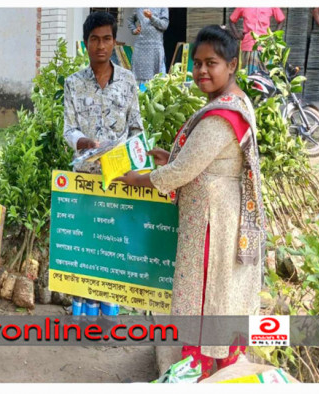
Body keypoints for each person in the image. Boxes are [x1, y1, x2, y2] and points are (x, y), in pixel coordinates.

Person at [115, 25, 265, 380]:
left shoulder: (221, 117)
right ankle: (223, 368)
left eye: (211, 63)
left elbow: (185, 171)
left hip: (212, 220)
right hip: (219, 212)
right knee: (218, 294)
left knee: (203, 295)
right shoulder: (233, 103)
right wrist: (174, 156)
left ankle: (195, 371)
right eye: (196, 63)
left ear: (232, 65)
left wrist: (143, 178)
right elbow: (204, 160)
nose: (201, 71)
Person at [62, 11, 143, 314]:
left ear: (113, 41)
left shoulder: (128, 81)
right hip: (85, 178)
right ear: (85, 44)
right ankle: (82, 314)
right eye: (94, 39)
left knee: (113, 245)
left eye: (106, 39)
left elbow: (136, 128)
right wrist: (82, 142)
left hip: (118, 179)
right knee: (85, 247)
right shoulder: (73, 83)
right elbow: (68, 128)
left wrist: (134, 160)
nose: (100, 45)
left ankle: (109, 314)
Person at [229, 8, 286, 74]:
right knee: (248, 77)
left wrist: (273, 36)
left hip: (266, 48)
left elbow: (281, 20)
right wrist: (237, 35)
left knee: (266, 77)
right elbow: (231, 20)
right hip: (249, 46)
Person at [128, 8, 169, 86]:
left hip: (155, 48)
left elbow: (164, 25)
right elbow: (130, 20)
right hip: (140, 47)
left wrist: (151, 17)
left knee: (158, 77)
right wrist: (134, 30)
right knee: (138, 76)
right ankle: (140, 95)